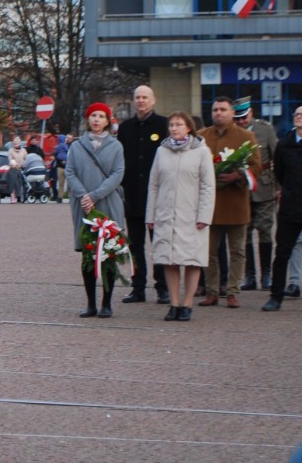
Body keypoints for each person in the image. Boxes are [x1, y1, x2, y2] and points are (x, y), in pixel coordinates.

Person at [145, 112, 215, 321]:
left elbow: (208, 186)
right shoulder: (162, 151)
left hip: (192, 215)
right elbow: (154, 185)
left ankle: (187, 304)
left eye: (179, 124)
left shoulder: (201, 151)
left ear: (189, 128)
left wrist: (204, 215)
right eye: (171, 125)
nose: (174, 128)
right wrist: (151, 214)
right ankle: (174, 303)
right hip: (166, 213)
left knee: (192, 261)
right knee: (170, 260)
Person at [199, 96, 261, 309]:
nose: (218, 113)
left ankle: (233, 291)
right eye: (215, 109)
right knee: (210, 252)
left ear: (232, 113)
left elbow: (256, 166)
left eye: (223, 109)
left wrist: (238, 176)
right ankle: (212, 291)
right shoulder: (201, 136)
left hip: (235, 201)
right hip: (211, 205)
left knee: (237, 251)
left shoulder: (246, 136)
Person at [66, 102, 125, 318]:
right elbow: (70, 172)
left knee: (107, 253)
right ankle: (91, 303)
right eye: (93, 116)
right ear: (88, 119)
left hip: (108, 203)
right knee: (88, 254)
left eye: (101, 116)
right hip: (84, 207)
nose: (97, 119)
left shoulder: (116, 147)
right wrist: (84, 196)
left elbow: (118, 174)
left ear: (108, 120)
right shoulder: (76, 146)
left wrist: (95, 195)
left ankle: (107, 303)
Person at [263, 105, 302, 313]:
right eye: (296, 114)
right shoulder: (285, 144)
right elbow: (279, 171)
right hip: (290, 207)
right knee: (282, 254)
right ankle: (275, 297)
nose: (298, 117)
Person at [116, 85, 170, 305]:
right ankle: (138, 287)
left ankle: (163, 288)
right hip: (133, 195)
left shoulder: (163, 125)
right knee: (135, 245)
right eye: (137, 97)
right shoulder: (125, 128)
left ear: (153, 100)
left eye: (144, 97)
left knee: (159, 244)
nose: (140, 101)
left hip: (156, 197)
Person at [233, 96, 277, 292]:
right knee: (245, 234)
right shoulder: (233, 132)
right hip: (241, 188)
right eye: (238, 118)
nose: (241, 121)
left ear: (251, 113)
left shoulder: (265, 129)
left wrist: (279, 187)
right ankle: (250, 275)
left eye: (244, 117)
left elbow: (277, 158)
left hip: (264, 186)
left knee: (265, 231)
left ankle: (266, 273)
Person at [7, 137, 27, 202]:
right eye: (14, 144)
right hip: (13, 168)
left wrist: (24, 164)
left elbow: (26, 158)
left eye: (16, 144)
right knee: (13, 182)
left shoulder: (24, 150)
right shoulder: (10, 151)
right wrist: (14, 164)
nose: (14, 145)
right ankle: (13, 197)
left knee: (21, 182)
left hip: (22, 168)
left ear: (19, 144)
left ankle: (21, 196)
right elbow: (10, 159)